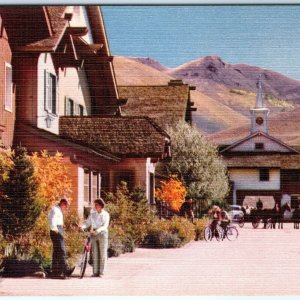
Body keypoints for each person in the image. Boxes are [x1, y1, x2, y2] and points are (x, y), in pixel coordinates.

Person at [81, 198, 110, 277]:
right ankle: (95, 272)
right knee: (95, 253)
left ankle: (101, 272)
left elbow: (105, 226)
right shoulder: (93, 214)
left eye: (96, 205)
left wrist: (97, 231)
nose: (95, 206)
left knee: (102, 253)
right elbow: (87, 223)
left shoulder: (106, 214)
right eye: (95, 205)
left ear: (101, 206)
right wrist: (82, 227)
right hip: (93, 234)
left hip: (102, 234)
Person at [48, 198, 75, 279]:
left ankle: (56, 272)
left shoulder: (57, 209)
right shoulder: (55, 210)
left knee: (57, 252)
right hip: (57, 230)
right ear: (63, 204)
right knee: (62, 250)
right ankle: (65, 270)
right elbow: (51, 219)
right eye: (66, 206)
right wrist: (54, 228)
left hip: (58, 229)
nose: (66, 208)